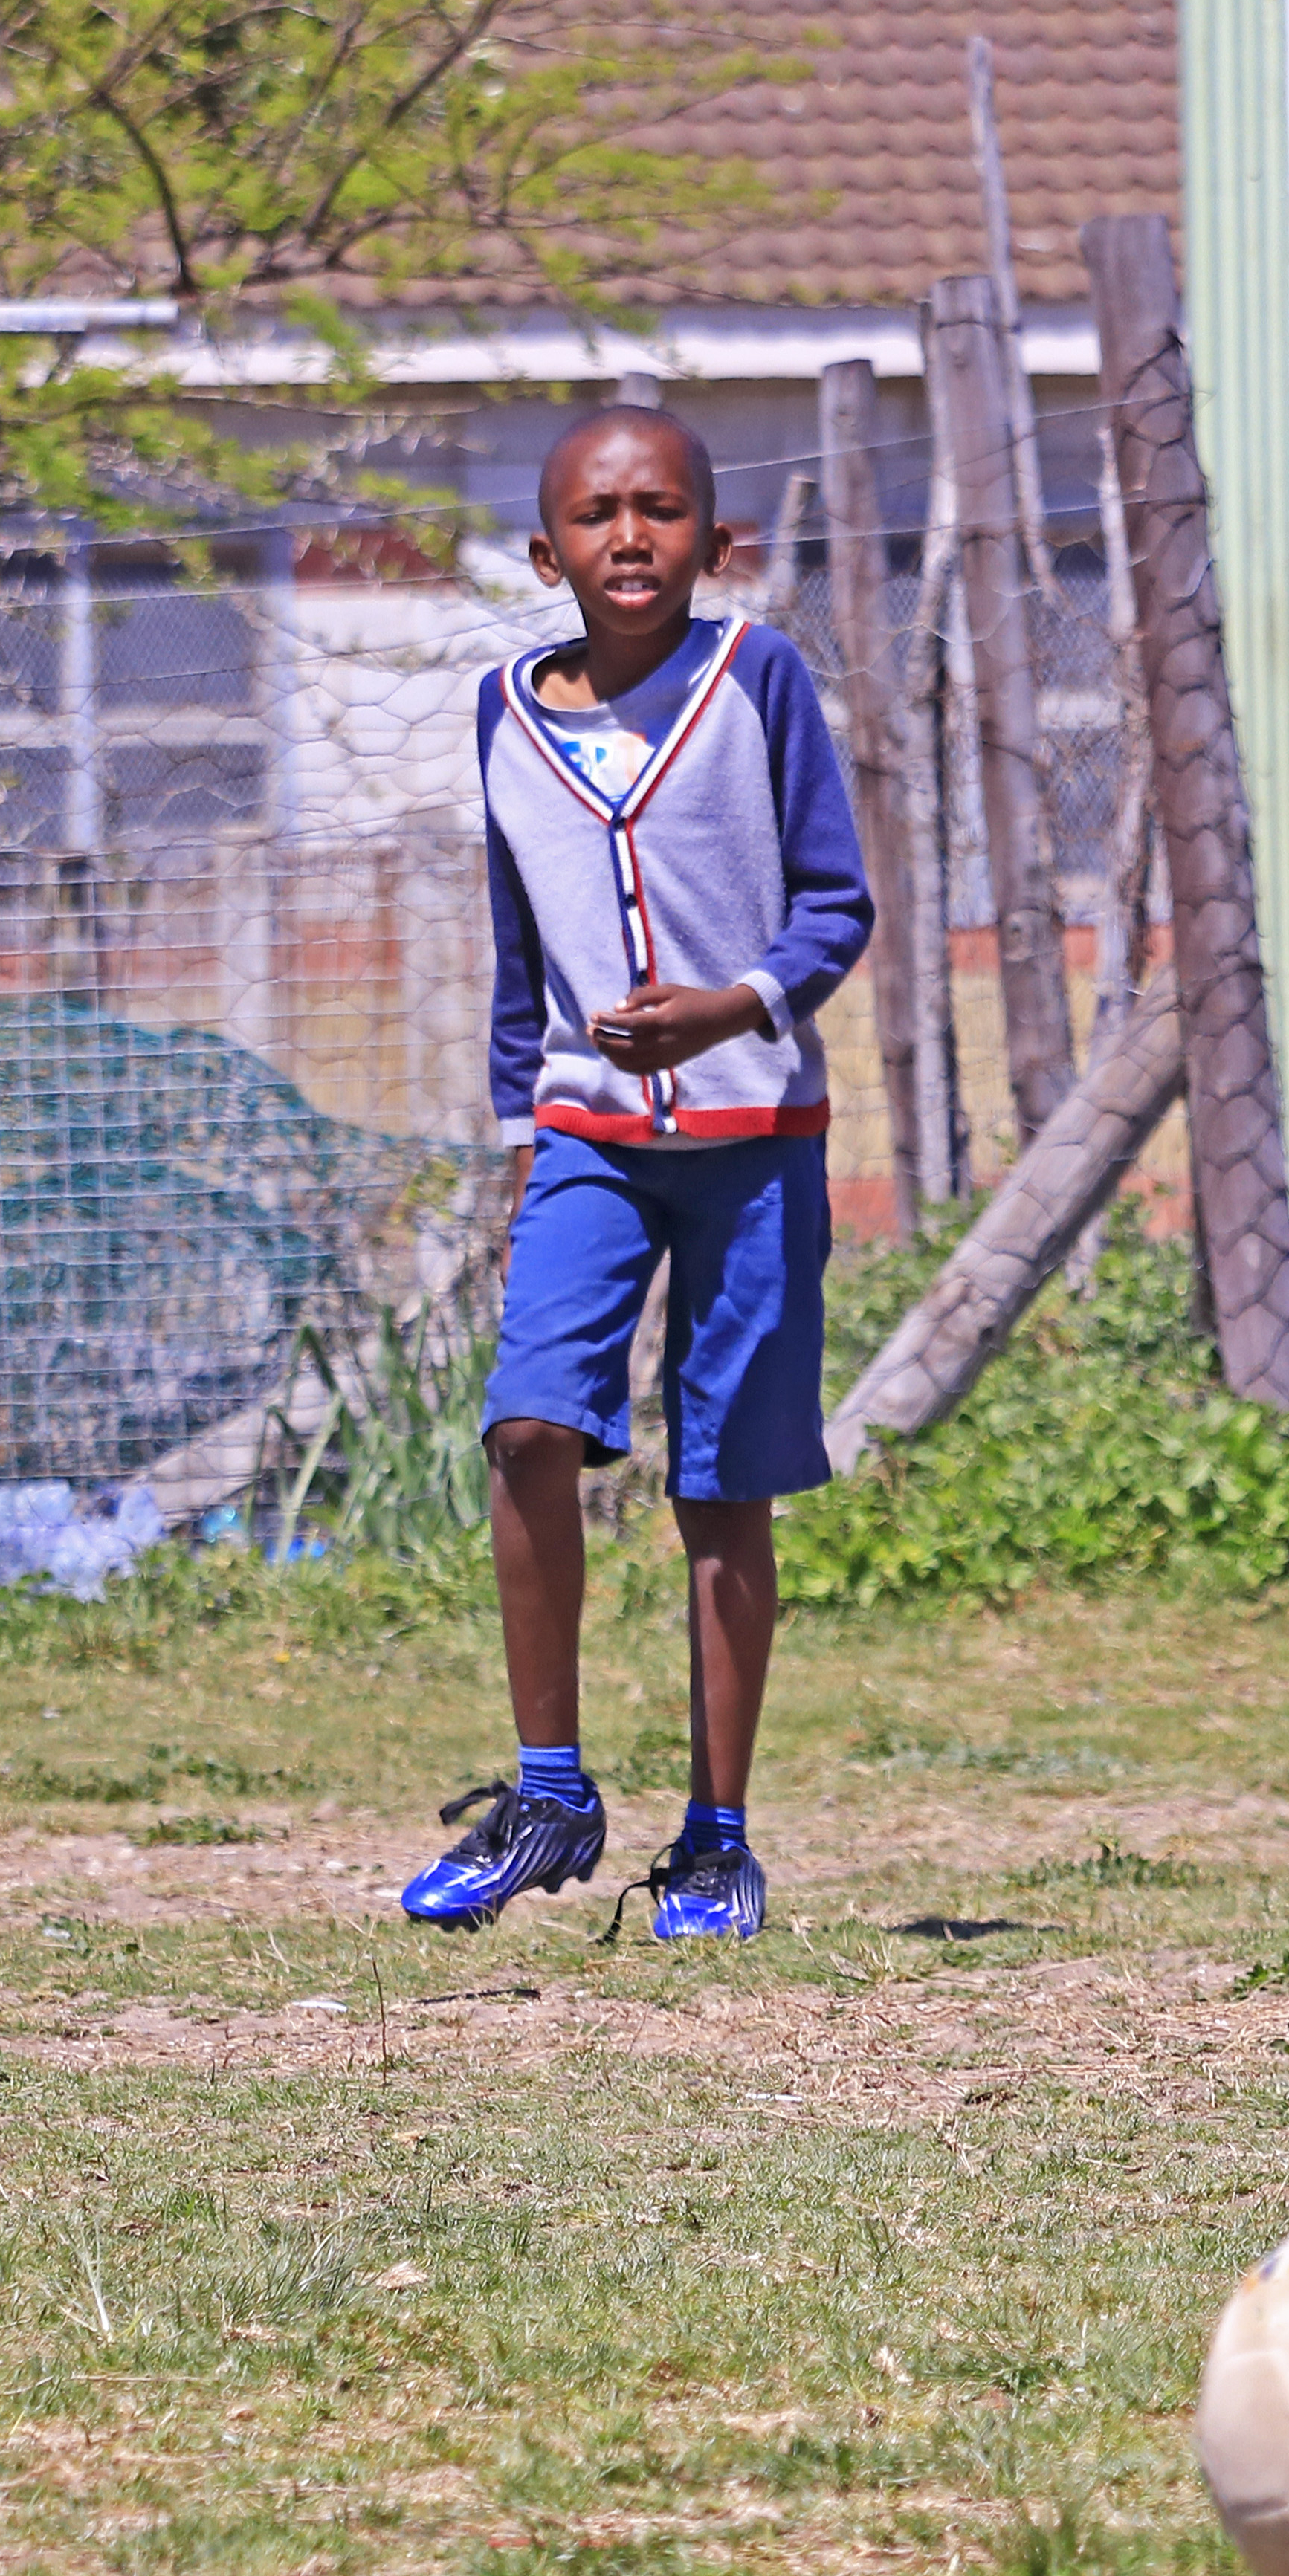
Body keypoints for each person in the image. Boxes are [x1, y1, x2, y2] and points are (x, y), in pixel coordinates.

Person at [401, 405, 876, 1945]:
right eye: (598, 515)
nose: (630, 537)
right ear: (547, 553)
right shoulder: (502, 713)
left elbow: (836, 903)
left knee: (721, 1482)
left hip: (754, 1143)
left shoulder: (759, 683)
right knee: (528, 1423)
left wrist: (734, 1003)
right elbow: (519, 941)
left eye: (661, 509)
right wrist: (512, 1131)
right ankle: (551, 1791)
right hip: (585, 1138)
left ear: (713, 541)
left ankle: (717, 1837)